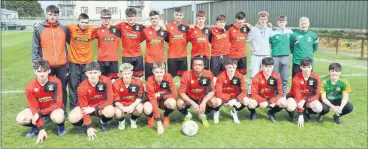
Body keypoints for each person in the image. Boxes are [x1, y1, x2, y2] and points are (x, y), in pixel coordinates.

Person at [31, 5, 69, 119]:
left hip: (62, 64)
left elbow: (73, 43)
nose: (53, 17)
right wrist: (36, 66)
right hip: (46, 66)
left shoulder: (63, 28)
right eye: (51, 14)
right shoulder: (39, 28)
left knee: (62, 89)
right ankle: (46, 112)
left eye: (55, 15)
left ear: (58, 15)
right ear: (46, 14)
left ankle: (62, 110)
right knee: (47, 89)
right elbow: (35, 48)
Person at [16, 60, 65, 144]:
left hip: (53, 108)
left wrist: (40, 114)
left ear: (49, 71)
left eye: (44, 71)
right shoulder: (29, 87)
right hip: (38, 109)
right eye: (39, 71)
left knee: (58, 117)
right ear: (35, 71)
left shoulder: (56, 82)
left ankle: (61, 126)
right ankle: (35, 127)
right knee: (20, 119)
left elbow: (58, 104)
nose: (42, 74)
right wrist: (41, 128)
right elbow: (34, 108)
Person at [68, 62, 115, 140]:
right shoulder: (82, 87)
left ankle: (102, 123)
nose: (93, 75)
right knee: (72, 117)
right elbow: (84, 107)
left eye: (95, 72)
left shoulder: (106, 81)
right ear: (86, 73)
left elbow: (110, 100)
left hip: (99, 107)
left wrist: (94, 108)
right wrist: (89, 126)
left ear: (99, 73)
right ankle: (84, 125)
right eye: (90, 73)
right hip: (87, 106)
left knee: (110, 111)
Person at [177, 57, 218, 127]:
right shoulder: (186, 75)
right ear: (192, 66)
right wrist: (192, 103)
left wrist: (204, 102)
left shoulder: (208, 74)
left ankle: (203, 115)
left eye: (200, 65)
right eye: (195, 65)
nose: (197, 67)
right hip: (190, 96)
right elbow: (181, 93)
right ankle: (188, 115)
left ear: (203, 66)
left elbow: (212, 91)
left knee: (214, 102)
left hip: (202, 97)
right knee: (179, 103)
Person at [67, 13, 95, 111]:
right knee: (74, 86)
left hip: (87, 63)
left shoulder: (91, 30)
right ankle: (74, 108)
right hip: (74, 62)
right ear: (78, 21)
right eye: (82, 22)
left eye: (86, 22)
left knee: (84, 86)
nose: (84, 24)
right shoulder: (70, 28)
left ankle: (84, 107)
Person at [286, 57, 323, 127]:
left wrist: (305, 100)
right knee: (290, 106)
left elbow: (317, 94)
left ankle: (307, 112)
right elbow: (297, 96)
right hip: (295, 97)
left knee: (318, 108)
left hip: (308, 99)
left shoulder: (316, 77)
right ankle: (292, 115)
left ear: (311, 67)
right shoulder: (296, 78)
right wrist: (300, 114)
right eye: (304, 67)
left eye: (308, 67)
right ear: (301, 67)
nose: (306, 69)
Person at [248, 57, 286, 122]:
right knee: (251, 104)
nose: (268, 69)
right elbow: (253, 94)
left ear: (273, 67)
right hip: (259, 98)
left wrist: (269, 102)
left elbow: (279, 93)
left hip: (270, 98)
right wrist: (262, 101)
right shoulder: (256, 77)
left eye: (270, 66)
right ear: (262, 66)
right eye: (266, 66)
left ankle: (271, 113)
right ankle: (253, 112)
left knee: (283, 103)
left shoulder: (276, 77)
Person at [143, 62, 177, 134]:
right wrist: (158, 122)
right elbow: (153, 100)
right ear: (153, 71)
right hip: (151, 101)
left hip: (162, 101)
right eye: (157, 72)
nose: (159, 74)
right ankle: (151, 116)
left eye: (161, 72)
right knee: (147, 109)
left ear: (164, 71)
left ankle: (165, 116)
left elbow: (174, 93)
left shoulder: (168, 77)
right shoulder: (149, 81)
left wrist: (161, 95)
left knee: (172, 103)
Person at [247, 11, 273, 95]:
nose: (263, 20)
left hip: (266, 56)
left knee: (266, 75)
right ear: (259, 19)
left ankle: (264, 93)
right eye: (261, 19)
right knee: (253, 75)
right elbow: (246, 39)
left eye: (264, 19)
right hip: (256, 56)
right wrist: (250, 47)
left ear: (267, 19)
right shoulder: (253, 29)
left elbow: (272, 41)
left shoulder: (270, 29)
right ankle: (250, 94)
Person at [214, 59, 248, 124]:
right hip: (223, 97)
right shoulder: (221, 76)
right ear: (225, 66)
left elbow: (244, 91)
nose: (232, 70)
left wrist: (236, 100)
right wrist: (228, 100)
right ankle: (216, 112)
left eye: (234, 67)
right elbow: (218, 93)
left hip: (235, 97)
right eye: (229, 67)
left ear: (236, 67)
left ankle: (234, 112)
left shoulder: (240, 76)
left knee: (246, 101)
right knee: (217, 101)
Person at [93, 9, 121, 82]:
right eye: (104, 18)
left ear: (110, 18)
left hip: (113, 59)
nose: (106, 20)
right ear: (101, 18)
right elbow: (88, 37)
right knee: (102, 82)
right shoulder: (97, 30)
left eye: (108, 18)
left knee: (113, 82)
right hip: (102, 60)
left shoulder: (117, 29)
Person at [116, 8, 145, 79]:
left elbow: (150, 31)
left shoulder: (140, 27)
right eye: (129, 16)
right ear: (126, 17)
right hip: (126, 56)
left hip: (138, 55)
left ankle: (139, 90)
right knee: (127, 76)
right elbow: (110, 29)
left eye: (132, 16)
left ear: (135, 17)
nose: (130, 18)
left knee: (138, 77)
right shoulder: (121, 25)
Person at [113, 63, 144, 130]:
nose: (127, 76)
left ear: (132, 73)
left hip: (133, 104)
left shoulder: (139, 82)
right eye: (125, 74)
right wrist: (123, 108)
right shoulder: (115, 84)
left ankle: (133, 119)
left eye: (128, 73)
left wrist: (132, 106)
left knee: (140, 108)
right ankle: (121, 120)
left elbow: (139, 98)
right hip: (122, 105)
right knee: (117, 112)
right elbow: (116, 102)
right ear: (121, 74)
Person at [141, 10, 168, 80]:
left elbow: (171, 40)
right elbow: (138, 40)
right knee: (149, 80)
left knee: (162, 80)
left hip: (161, 60)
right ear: (150, 19)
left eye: (156, 18)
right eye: (152, 18)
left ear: (159, 18)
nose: (154, 20)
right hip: (149, 60)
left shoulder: (164, 30)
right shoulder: (145, 30)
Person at [269, 16, 293, 96]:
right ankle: (275, 94)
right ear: (277, 22)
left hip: (286, 57)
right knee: (275, 77)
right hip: (275, 57)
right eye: (280, 22)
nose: (282, 23)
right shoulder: (273, 33)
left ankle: (283, 94)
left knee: (285, 78)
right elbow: (270, 44)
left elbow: (292, 44)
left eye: (283, 22)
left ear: (286, 22)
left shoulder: (290, 32)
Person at [166, 7, 190, 78]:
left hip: (183, 56)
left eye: (180, 15)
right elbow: (165, 40)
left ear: (183, 16)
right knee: (171, 77)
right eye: (177, 15)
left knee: (183, 77)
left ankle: (182, 89)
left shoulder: (186, 27)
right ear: (174, 15)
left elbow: (187, 39)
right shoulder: (168, 26)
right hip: (172, 57)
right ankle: (171, 89)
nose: (178, 17)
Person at [209, 14, 231, 84]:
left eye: (223, 22)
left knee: (225, 74)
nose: (222, 24)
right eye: (220, 22)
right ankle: (214, 90)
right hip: (215, 56)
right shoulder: (212, 30)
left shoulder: (227, 29)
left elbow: (238, 24)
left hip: (225, 56)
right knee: (214, 75)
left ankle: (224, 89)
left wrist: (246, 23)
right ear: (217, 22)